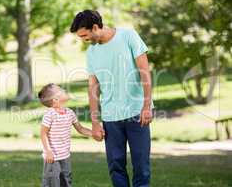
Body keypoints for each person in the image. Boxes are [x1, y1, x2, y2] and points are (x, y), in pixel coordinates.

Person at [70, 10, 153, 187]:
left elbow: (144, 71)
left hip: (136, 112)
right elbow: (93, 88)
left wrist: (147, 105)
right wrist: (95, 122)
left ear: (95, 27)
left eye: (85, 36)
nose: (84, 40)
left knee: (141, 165)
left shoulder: (128, 36)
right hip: (110, 117)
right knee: (116, 166)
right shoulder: (92, 53)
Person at [38, 83, 92, 187]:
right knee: (53, 183)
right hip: (52, 157)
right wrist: (48, 151)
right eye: (61, 90)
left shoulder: (70, 113)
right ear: (55, 100)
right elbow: (43, 133)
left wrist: (94, 133)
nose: (64, 90)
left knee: (66, 182)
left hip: (65, 156)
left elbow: (80, 129)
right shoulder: (50, 115)